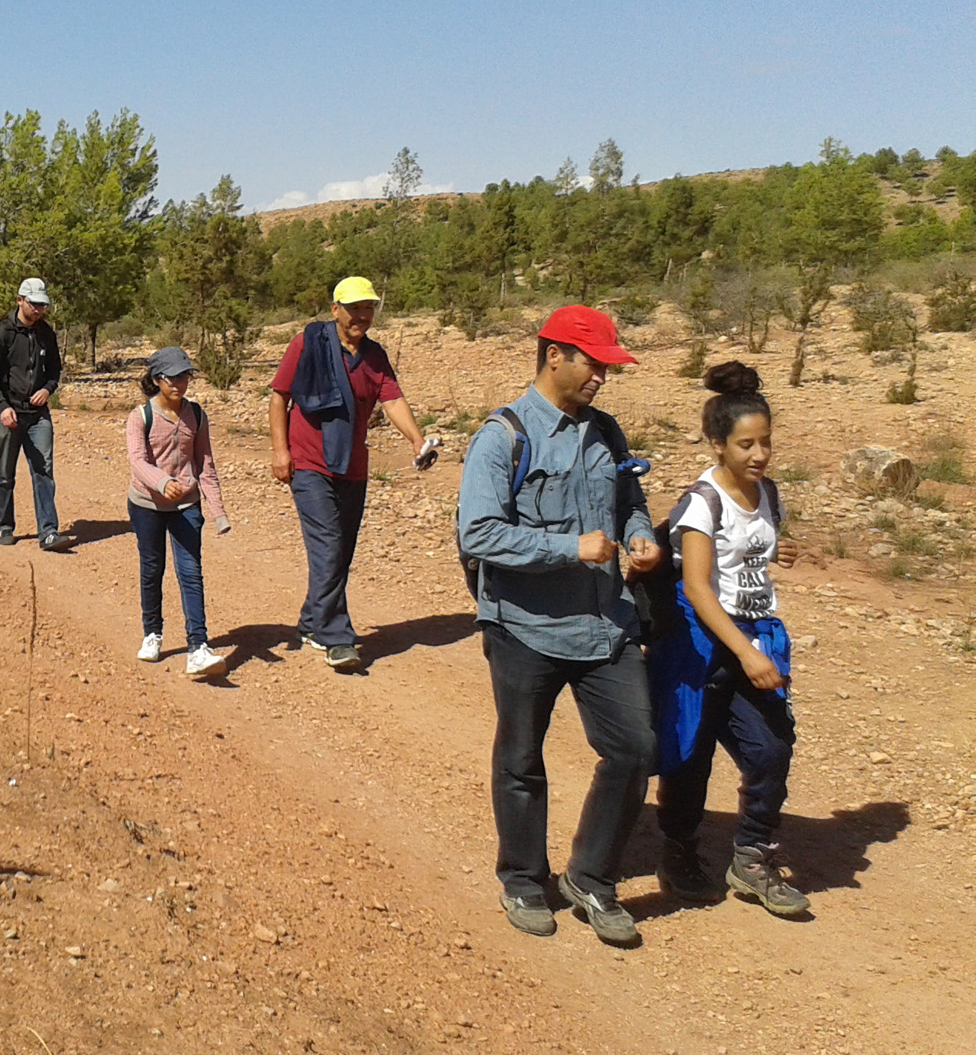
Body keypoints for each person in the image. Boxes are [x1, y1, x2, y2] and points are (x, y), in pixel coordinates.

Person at [456, 304, 660, 946]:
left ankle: (591, 877)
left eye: (607, 366)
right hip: (524, 626)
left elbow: (629, 499)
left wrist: (640, 535)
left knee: (635, 748)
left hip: (604, 624)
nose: (602, 376)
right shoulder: (502, 436)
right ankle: (523, 879)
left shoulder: (607, 431)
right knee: (521, 759)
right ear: (554, 356)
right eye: (593, 363)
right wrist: (570, 548)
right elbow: (478, 532)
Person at [652, 362, 809, 918]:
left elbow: (747, 555)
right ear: (718, 444)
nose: (759, 454)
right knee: (690, 753)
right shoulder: (703, 501)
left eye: (766, 442)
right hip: (703, 645)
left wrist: (776, 552)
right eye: (746, 444)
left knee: (772, 748)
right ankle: (679, 851)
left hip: (754, 635)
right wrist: (744, 653)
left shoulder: (767, 492)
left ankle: (752, 856)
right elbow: (698, 587)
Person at [268, 276, 437, 670]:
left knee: (340, 552)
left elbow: (392, 399)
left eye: (368, 308)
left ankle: (311, 621)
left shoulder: (374, 356)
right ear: (335, 310)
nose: (362, 315)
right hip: (309, 463)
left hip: (352, 466)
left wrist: (416, 440)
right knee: (328, 546)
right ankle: (336, 637)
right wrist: (280, 450)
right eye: (354, 308)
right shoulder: (306, 344)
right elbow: (279, 397)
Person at [127, 347, 232, 680]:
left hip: (186, 505)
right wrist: (162, 482)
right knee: (152, 569)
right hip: (146, 504)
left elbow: (205, 463)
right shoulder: (140, 416)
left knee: (190, 573)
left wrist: (218, 512)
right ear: (157, 379)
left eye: (184, 376)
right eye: (171, 377)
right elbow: (137, 460)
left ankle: (198, 648)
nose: (179, 383)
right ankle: (152, 633)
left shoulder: (196, 415)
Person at [0, 277, 70, 552]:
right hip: (8, 413)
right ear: (20, 300)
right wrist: (2, 407)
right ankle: (5, 526)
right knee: (5, 472)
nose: (39, 310)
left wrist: (47, 389)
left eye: (43, 305)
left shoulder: (46, 333)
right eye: (34, 304)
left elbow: (55, 370)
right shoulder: (3, 333)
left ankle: (49, 532)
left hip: (37, 415)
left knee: (43, 471)